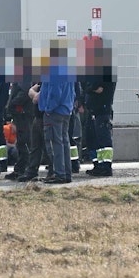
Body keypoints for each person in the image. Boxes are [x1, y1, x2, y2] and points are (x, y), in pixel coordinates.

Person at [39, 42, 75, 184]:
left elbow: (54, 93)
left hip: (54, 112)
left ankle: (59, 174)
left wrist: (48, 109)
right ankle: (66, 173)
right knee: (64, 142)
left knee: (55, 143)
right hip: (66, 110)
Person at [83, 39, 117, 178]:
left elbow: (97, 88)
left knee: (103, 139)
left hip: (102, 109)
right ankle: (98, 164)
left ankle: (106, 166)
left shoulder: (106, 69)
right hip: (94, 108)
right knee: (93, 138)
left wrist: (90, 88)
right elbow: (89, 86)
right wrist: (90, 88)